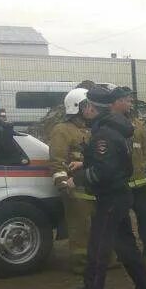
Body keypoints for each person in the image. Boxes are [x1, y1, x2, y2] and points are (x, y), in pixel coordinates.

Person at [63, 85, 146, 289]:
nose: (84, 110)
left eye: (85, 106)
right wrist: (84, 165)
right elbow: (111, 162)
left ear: (92, 108)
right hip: (118, 195)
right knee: (125, 245)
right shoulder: (112, 129)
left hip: (111, 199)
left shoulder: (104, 134)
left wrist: (79, 179)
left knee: (97, 252)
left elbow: (105, 171)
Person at [49, 88, 97, 274]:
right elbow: (57, 160)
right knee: (80, 228)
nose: (91, 109)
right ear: (77, 107)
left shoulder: (91, 128)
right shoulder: (62, 130)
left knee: (97, 226)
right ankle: (81, 263)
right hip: (75, 188)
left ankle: (103, 259)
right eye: (88, 105)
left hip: (93, 185)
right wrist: (63, 184)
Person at [125, 100, 146, 259]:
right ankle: (126, 250)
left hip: (139, 182)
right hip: (120, 184)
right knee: (121, 219)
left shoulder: (138, 125)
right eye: (126, 100)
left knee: (144, 216)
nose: (129, 104)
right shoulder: (108, 125)